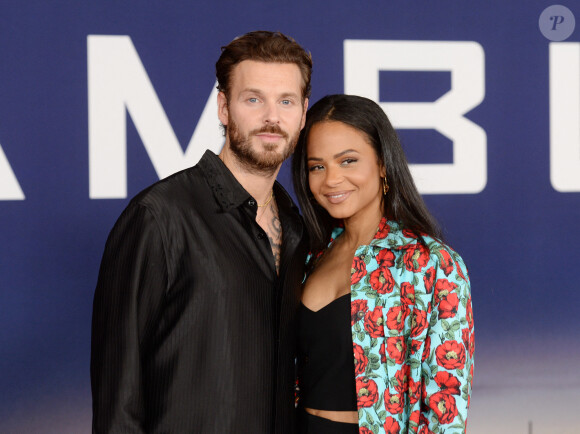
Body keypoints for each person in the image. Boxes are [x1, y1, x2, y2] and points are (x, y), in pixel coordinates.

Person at [91, 31, 311, 433]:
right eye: (253, 99)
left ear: (303, 112)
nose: (272, 118)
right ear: (223, 107)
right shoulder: (158, 217)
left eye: (286, 101)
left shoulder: (300, 230)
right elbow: (117, 396)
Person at [292, 94, 474, 434]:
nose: (331, 179)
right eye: (317, 166)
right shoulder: (306, 257)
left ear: (382, 163)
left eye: (347, 161)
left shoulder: (431, 264)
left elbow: (445, 410)